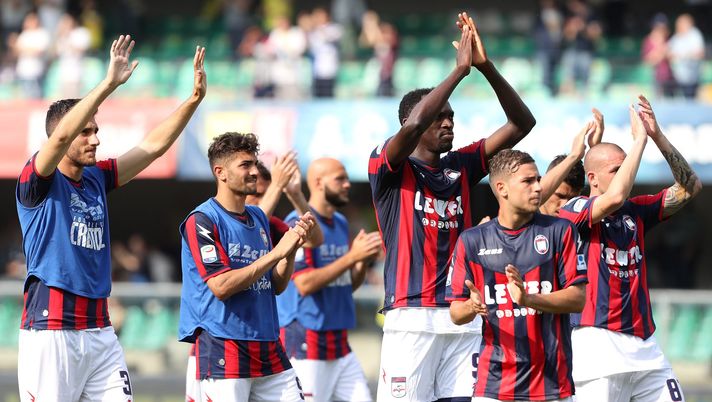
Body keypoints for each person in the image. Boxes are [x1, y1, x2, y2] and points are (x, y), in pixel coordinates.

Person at [15, 36, 206, 401]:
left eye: (97, 131)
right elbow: (61, 138)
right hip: (51, 329)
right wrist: (108, 85)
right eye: (86, 131)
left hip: (100, 329)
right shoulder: (36, 180)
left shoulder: (96, 177)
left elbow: (152, 147)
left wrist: (193, 101)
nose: (95, 139)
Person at [368, 12, 536, 402]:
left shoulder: (460, 165)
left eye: (451, 117)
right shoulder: (389, 165)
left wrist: (484, 67)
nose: (448, 123)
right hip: (411, 317)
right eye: (439, 117)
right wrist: (457, 73)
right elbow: (410, 129)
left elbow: (522, 122)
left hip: (462, 313)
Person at [559, 96, 702, 402]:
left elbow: (690, 187)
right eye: (616, 168)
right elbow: (612, 197)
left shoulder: (635, 212)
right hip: (597, 348)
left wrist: (656, 136)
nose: (626, 173)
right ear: (592, 178)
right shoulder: (575, 210)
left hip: (646, 347)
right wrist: (639, 143)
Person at [178, 132, 316, 402]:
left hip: (267, 344)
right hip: (224, 346)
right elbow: (221, 286)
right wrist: (277, 252)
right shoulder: (203, 220)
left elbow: (275, 285)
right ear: (221, 172)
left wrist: (292, 249)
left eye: (254, 163)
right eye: (245, 165)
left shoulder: (257, 217)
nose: (255, 171)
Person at [447, 149, 587, 401]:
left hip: (552, 386)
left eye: (538, 180)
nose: (538, 188)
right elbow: (456, 313)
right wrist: (471, 305)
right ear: (502, 188)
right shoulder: (471, 241)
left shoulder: (561, 231)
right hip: (493, 386)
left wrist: (529, 299)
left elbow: (578, 299)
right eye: (528, 181)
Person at [277, 158, 381, 402]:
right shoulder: (297, 222)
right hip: (307, 338)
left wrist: (361, 261)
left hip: (339, 340)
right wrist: (351, 257)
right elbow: (304, 284)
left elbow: (347, 285)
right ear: (318, 183)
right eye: (340, 179)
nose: (347, 185)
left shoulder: (341, 222)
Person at [539, 108, 604, 217]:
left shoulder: (577, 222)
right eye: (559, 195)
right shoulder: (524, 219)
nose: (565, 205)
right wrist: (574, 155)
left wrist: (595, 150)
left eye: (572, 199)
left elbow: (614, 197)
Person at [668, 14, 705, 99]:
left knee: (690, 101)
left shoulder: (695, 35)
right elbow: (669, 52)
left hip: (692, 77)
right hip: (678, 77)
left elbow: (700, 53)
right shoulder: (676, 37)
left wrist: (686, 56)